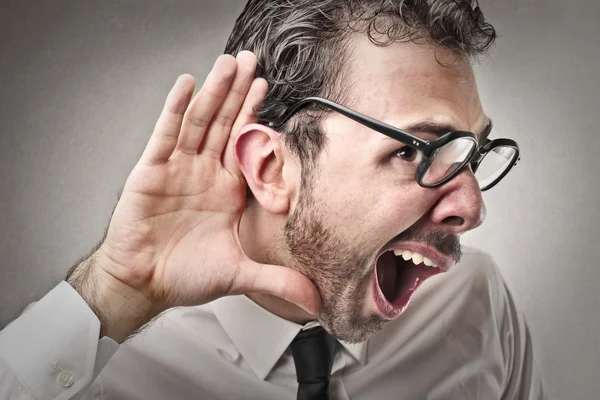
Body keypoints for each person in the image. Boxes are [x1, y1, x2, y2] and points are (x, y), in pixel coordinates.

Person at [0, 0, 546, 399]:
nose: (471, 209)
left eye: (471, 156)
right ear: (270, 167)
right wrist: (110, 294)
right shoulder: (97, 363)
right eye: (415, 151)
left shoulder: (475, 301)